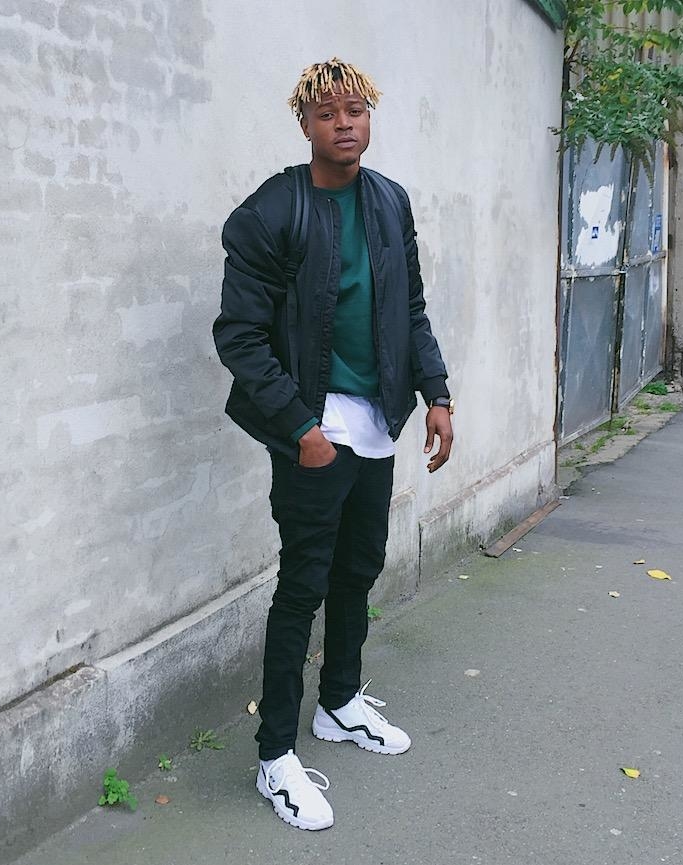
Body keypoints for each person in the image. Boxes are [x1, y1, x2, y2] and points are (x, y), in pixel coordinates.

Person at [213, 58, 454, 831]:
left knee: (360, 566)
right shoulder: (270, 212)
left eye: (356, 110)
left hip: (378, 420)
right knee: (303, 583)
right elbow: (239, 336)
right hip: (314, 429)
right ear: (305, 124)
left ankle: (340, 701)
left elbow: (409, 307)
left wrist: (437, 392)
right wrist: (298, 426)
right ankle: (275, 755)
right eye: (327, 113)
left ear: (368, 117)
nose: (344, 123)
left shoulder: (388, 202)